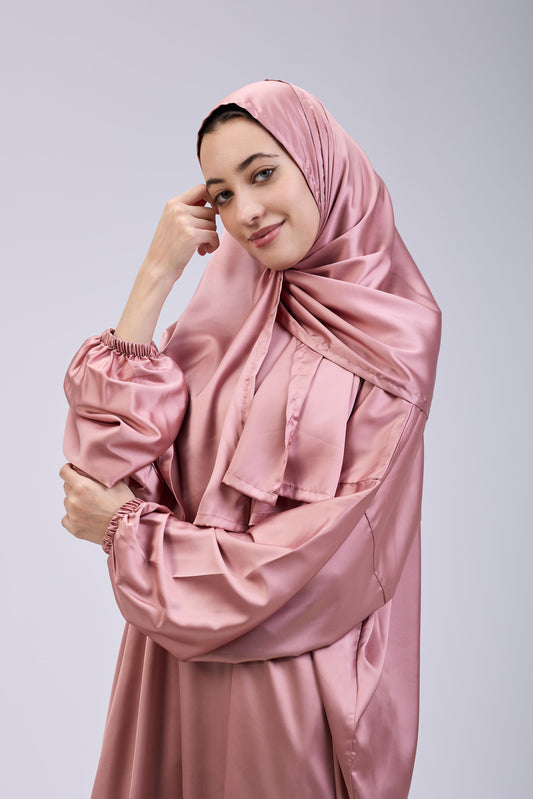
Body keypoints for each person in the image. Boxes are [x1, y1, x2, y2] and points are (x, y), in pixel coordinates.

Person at [60, 79, 441, 799]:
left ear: (320, 165)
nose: (246, 212)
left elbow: (325, 557)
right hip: (172, 666)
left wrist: (128, 532)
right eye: (223, 195)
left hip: (288, 687)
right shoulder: (225, 314)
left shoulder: (392, 338)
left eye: (262, 174)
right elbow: (98, 469)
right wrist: (155, 277)